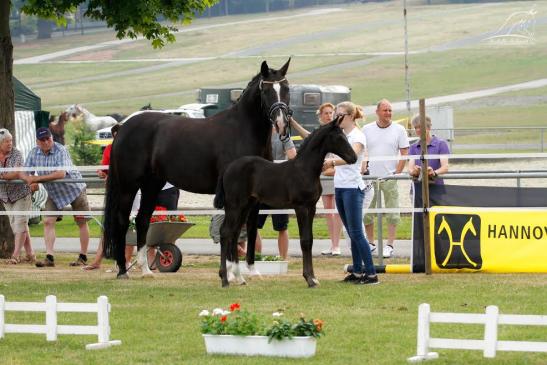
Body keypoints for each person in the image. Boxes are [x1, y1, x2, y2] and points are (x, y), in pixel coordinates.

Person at [324, 101, 377, 284]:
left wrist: (331, 163)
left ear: (350, 116)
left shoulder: (357, 136)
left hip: (353, 188)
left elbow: (352, 157)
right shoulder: (341, 135)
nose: (336, 118)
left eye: (339, 115)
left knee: (356, 232)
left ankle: (371, 273)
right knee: (351, 231)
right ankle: (357, 271)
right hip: (340, 186)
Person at [22, 127, 91, 268]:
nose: (47, 142)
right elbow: (23, 172)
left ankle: (83, 256)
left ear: (52, 137)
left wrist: (37, 179)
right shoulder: (33, 153)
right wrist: (30, 180)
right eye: (43, 140)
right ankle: (49, 257)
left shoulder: (61, 150)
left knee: (81, 221)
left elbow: (61, 173)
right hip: (53, 192)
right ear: (37, 142)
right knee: (47, 221)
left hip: (74, 188)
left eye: (48, 138)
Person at [83, 124, 137, 270]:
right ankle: (97, 261)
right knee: (109, 225)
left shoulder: (134, 149)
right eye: (115, 137)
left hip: (131, 191)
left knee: (131, 224)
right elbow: (104, 168)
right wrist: (103, 173)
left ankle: (125, 261)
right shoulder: (109, 149)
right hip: (115, 192)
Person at [362, 99, 409, 258]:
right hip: (370, 178)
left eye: (390, 110)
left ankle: (390, 245)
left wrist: (397, 172)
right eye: (385, 110)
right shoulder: (367, 129)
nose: (388, 113)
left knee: (392, 212)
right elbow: (363, 151)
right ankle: (370, 242)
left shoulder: (399, 129)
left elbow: (404, 153)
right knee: (367, 212)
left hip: (390, 178)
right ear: (377, 112)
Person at [255, 126, 297, 260]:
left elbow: (292, 156)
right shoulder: (259, 135)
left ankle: (280, 259)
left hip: (275, 187)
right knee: (256, 225)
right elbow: (292, 156)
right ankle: (258, 258)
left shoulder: (281, 135)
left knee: (280, 226)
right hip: (267, 187)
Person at [0, 128, 36, 264]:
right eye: (6, 141)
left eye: (11, 140)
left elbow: (16, 172)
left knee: (19, 225)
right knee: (19, 224)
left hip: (21, 194)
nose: (9, 143)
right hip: (5, 196)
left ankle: (15, 256)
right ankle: (30, 254)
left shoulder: (17, 153)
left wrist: (2, 175)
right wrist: (5, 176)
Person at [408, 114, 450, 184]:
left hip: (437, 187)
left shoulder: (441, 144)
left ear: (429, 127)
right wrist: (414, 172)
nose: (418, 130)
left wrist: (434, 173)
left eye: (420, 127)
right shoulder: (413, 147)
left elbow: (445, 167)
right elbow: (410, 168)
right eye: (416, 128)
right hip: (417, 187)